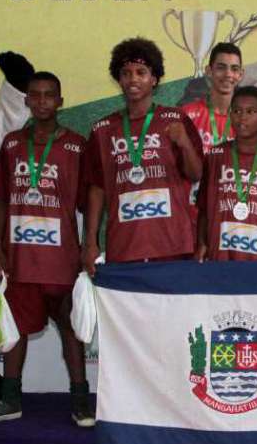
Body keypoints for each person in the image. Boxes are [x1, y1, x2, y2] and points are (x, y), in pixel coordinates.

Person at [0, 71, 93, 427]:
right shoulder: (11, 144)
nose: (42, 101)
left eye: (49, 95)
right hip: (20, 259)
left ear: (60, 101)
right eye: (35, 95)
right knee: (14, 329)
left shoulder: (75, 145)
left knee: (71, 330)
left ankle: (81, 401)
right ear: (26, 100)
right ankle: (11, 399)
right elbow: (2, 204)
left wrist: (87, 250)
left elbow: (89, 203)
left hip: (62, 259)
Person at [81, 38, 202, 270]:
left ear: (154, 79)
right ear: (119, 79)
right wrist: (90, 243)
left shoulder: (175, 119)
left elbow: (196, 174)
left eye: (141, 72)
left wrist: (185, 142)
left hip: (173, 243)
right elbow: (96, 189)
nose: (133, 79)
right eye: (126, 73)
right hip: (125, 244)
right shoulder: (102, 130)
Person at [195, 86, 257, 261]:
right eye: (237, 111)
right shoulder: (215, 155)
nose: (242, 117)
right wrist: (202, 242)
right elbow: (203, 208)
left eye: (251, 111)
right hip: (219, 254)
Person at [180, 42, 242, 152]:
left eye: (234, 69)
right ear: (209, 71)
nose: (228, 74)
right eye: (221, 68)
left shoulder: (246, 121)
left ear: (240, 75)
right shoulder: (187, 115)